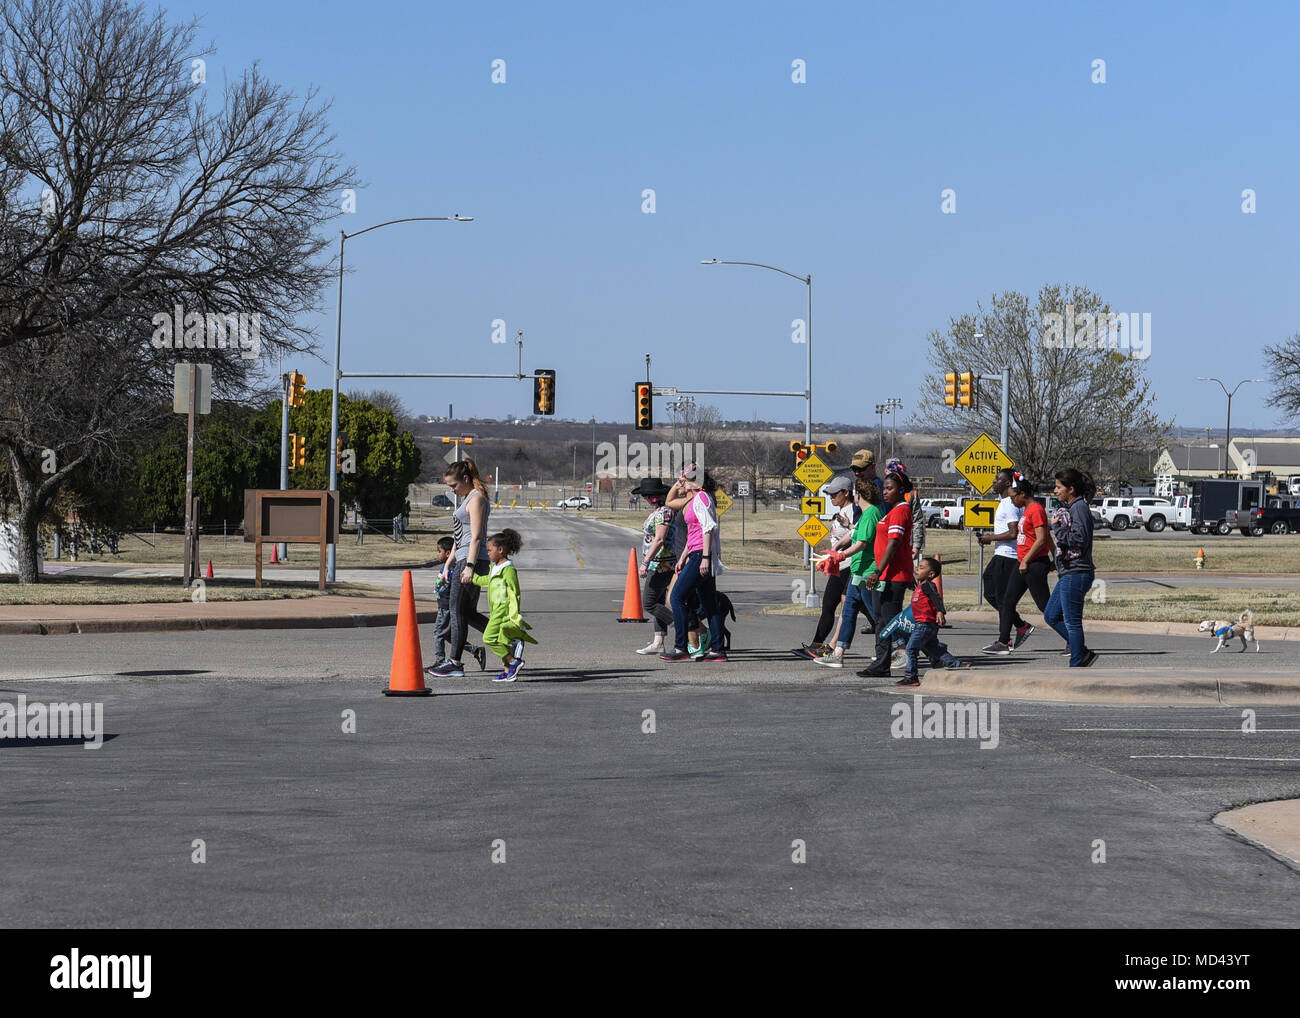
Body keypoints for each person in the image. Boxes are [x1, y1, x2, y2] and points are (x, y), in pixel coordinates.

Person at [428, 459, 491, 677]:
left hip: (471, 560)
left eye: (454, 486)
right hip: (463, 559)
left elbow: (475, 537)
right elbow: (460, 537)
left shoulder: (476, 499)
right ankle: (510, 642)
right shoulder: (467, 499)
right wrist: (447, 564)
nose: (452, 491)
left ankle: (454, 662)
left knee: (456, 611)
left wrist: (470, 566)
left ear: (465, 479)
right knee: (467, 613)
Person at [813, 477, 882, 668]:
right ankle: (838, 654)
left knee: (877, 615)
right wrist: (834, 552)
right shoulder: (865, 515)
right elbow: (854, 533)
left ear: (857, 494)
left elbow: (862, 543)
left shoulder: (871, 513)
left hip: (867, 571)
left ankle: (904, 647)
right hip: (856, 571)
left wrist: (840, 557)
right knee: (849, 611)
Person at [984, 474, 1056, 655]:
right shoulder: (1027, 510)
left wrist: (1050, 557)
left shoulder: (1036, 509)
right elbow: (1042, 536)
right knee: (1006, 601)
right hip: (1022, 562)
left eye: (1013, 495)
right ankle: (1003, 642)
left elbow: (1042, 539)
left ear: (1022, 494)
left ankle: (1073, 638)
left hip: (1031, 563)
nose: (1012, 499)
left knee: (1045, 606)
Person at [662, 470, 727, 662]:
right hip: (695, 552)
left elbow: (708, 528)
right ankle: (717, 650)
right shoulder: (695, 499)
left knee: (676, 597)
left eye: (682, 481)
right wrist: (683, 557)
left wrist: (705, 557)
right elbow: (694, 533)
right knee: (710, 604)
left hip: (701, 555)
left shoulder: (701, 499)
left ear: (694, 482)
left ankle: (681, 647)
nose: (680, 484)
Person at [857, 469, 915, 678]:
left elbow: (894, 543)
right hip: (886, 576)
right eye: (884, 488)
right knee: (884, 621)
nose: (885, 492)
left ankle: (938, 653)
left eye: (890, 488)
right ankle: (881, 665)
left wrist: (877, 570)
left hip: (891, 576)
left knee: (891, 623)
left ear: (901, 490)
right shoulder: (892, 511)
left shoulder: (900, 511)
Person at [796, 474, 859, 658]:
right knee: (829, 605)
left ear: (846, 493)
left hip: (849, 566)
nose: (831, 497)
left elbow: (859, 536)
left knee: (863, 608)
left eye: (834, 494)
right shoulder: (841, 512)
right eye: (829, 494)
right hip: (839, 567)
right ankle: (816, 645)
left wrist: (847, 530)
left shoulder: (854, 512)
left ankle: (903, 644)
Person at [1043, 468, 1098, 667]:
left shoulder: (1079, 508)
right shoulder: (1073, 507)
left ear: (1071, 489)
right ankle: (1081, 652)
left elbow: (1080, 539)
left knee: (1072, 622)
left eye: (1058, 487)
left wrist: (1057, 528)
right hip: (1068, 571)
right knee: (1051, 615)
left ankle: (1077, 662)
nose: (1055, 491)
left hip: (1077, 571)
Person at [977, 468, 1033, 650]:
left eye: (997, 479)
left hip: (1008, 557)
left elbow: (1013, 532)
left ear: (1008, 483)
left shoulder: (1009, 504)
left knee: (1002, 598)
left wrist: (989, 538)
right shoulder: (1004, 502)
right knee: (991, 593)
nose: (994, 481)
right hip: (1000, 555)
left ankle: (1004, 640)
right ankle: (1020, 625)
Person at [473, 528, 537, 683]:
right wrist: (472, 577)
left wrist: (514, 614)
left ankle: (514, 661)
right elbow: (486, 581)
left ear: (500, 550)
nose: (487, 553)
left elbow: (515, 593)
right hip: (495, 609)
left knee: (488, 638)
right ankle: (508, 671)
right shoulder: (494, 568)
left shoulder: (508, 570)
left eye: (490, 550)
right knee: (502, 641)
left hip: (503, 611)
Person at [898, 557, 965, 686]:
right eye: (917, 567)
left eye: (922, 568)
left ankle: (911, 677)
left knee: (911, 649)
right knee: (935, 649)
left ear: (931, 574)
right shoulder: (920, 587)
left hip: (925, 625)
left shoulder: (929, 586)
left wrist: (940, 611)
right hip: (923, 624)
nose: (917, 569)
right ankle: (957, 665)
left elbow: (936, 598)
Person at [633, 477, 676, 655]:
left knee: (649, 604)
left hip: (661, 564)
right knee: (658, 601)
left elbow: (659, 539)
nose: (645, 499)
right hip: (657, 562)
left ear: (654, 496)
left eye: (647, 496)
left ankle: (689, 626)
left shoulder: (664, 512)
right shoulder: (659, 511)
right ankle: (658, 642)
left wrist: (645, 562)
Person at [428, 535, 456, 670]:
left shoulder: (452, 569)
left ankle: (440, 660)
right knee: (448, 635)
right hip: (442, 606)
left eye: (439, 551)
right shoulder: (445, 567)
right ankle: (475, 650)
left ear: (448, 553)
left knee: (438, 633)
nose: (437, 554)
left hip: (446, 607)